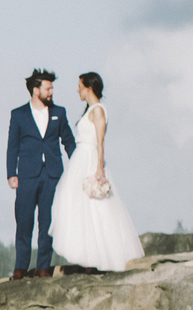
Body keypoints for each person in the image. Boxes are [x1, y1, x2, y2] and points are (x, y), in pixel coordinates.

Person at [50, 72, 144, 272]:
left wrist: (99, 168)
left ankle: (100, 258)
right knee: (78, 208)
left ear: (89, 88)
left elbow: (100, 141)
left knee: (95, 209)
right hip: (81, 159)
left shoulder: (98, 110)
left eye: (79, 86)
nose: (77, 90)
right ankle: (88, 257)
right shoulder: (91, 109)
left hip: (90, 160)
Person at [6, 69, 77, 278]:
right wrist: (11, 173)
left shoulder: (59, 112)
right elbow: (12, 146)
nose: (52, 91)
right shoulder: (18, 114)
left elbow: (69, 142)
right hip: (27, 175)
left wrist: (80, 165)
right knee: (24, 222)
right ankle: (21, 268)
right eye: (48, 88)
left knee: (48, 222)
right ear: (36, 90)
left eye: (52, 87)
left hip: (53, 175)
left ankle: (43, 267)